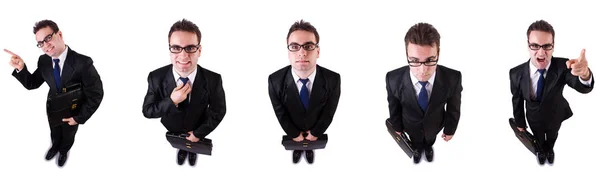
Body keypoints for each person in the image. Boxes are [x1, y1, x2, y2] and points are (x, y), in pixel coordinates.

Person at [5, 19, 104, 167]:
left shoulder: (83, 63)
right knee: (55, 132)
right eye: (40, 43)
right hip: (53, 109)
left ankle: (64, 151)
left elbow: (96, 94)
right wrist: (21, 67)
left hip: (73, 112)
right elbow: (32, 83)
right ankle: (54, 147)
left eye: (48, 38)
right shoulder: (44, 61)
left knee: (68, 135)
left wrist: (79, 117)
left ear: (60, 34)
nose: (45, 45)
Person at [142, 19, 226, 166]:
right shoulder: (156, 77)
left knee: (193, 146)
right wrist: (172, 100)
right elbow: (148, 111)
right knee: (181, 145)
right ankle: (182, 149)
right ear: (170, 50)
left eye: (190, 48)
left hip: (198, 127)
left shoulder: (214, 79)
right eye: (176, 48)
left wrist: (198, 134)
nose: (183, 55)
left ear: (199, 50)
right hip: (173, 128)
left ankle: (192, 151)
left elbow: (219, 110)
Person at [510, 20, 594, 165]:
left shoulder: (563, 66)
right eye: (535, 45)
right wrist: (520, 123)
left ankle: (550, 150)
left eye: (547, 46)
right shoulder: (515, 73)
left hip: (555, 115)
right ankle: (540, 151)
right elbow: (517, 100)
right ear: (528, 46)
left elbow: (579, 84)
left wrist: (585, 75)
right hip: (533, 117)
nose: (541, 52)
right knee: (538, 138)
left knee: (552, 136)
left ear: (553, 46)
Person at [385, 22, 462, 164]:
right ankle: (415, 150)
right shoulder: (393, 78)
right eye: (414, 61)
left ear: (438, 54)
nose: (422, 70)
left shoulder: (453, 78)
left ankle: (428, 148)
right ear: (407, 55)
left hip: (435, 125)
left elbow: (454, 108)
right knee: (415, 142)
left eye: (430, 60)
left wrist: (450, 129)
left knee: (429, 141)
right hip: (409, 125)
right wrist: (397, 127)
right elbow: (393, 107)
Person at [268, 20, 341, 164]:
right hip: (293, 129)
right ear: (289, 52)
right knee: (297, 143)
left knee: (310, 144)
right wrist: (294, 134)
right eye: (295, 46)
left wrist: (315, 133)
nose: (302, 52)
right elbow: (280, 112)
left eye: (308, 46)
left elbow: (329, 112)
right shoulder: (274, 80)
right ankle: (297, 149)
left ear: (318, 51)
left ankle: (308, 149)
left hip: (315, 128)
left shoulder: (333, 79)